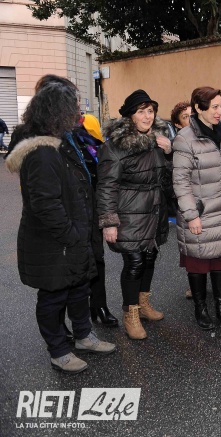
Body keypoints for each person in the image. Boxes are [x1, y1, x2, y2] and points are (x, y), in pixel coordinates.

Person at [6, 79, 115, 374]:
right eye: (73, 106)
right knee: (53, 297)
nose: (79, 112)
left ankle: (83, 336)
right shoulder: (42, 152)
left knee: (78, 289)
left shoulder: (62, 142)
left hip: (72, 239)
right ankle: (59, 351)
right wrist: (72, 234)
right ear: (57, 111)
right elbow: (45, 205)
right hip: (55, 242)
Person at [96, 89, 172, 340]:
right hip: (128, 214)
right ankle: (130, 313)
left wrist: (169, 152)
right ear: (130, 115)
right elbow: (106, 186)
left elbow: (167, 177)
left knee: (150, 257)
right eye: (142, 111)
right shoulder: (116, 146)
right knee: (135, 262)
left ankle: (143, 304)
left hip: (153, 211)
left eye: (150, 111)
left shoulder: (158, 141)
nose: (148, 116)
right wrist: (109, 222)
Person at [173, 87, 221, 330]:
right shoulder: (184, 139)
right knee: (198, 263)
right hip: (200, 212)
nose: (220, 111)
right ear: (198, 108)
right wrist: (191, 215)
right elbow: (180, 182)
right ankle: (200, 309)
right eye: (215, 107)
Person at [73, 114, 118, 326]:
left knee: (97, 259)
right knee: (76, 264)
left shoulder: (97, 147)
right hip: (74, 212)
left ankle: (99, 305)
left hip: (94, 210)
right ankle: (80, 314)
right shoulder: (65, 144)